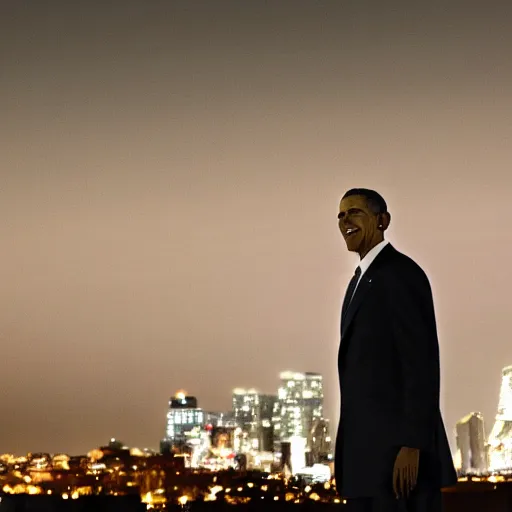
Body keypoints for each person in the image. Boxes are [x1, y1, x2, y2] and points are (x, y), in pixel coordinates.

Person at [335, 189, 457, 511]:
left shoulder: (402, 274)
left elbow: (421, 363)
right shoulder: (359, 281)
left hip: (399, 463)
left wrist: (412, 444)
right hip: (367, 460)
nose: (345, 221)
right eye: (341, 215)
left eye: (355, 212)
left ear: (382, 220)